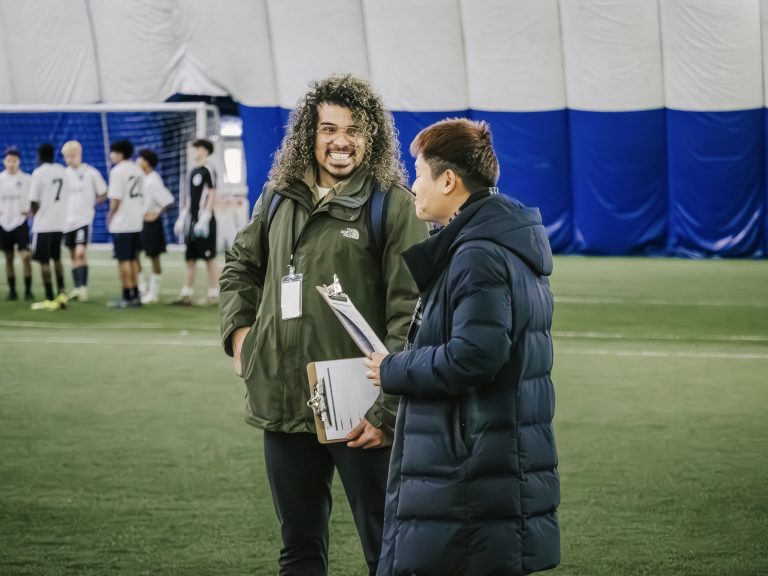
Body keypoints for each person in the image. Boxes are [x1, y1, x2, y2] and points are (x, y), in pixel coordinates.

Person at [219, 74, 428, 576]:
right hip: (283, 400)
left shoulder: (392, 203)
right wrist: (241, 336)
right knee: (299, 550)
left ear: (371, 137)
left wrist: (388, 410)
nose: (340, 141)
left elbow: (411, 311)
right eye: (328, 128)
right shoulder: (277, 196)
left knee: (388, 551)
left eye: (354, 130)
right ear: (307, 136)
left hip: (361, 411)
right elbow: (240, 267)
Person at [364, 119, 560, 576]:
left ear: (448, 180)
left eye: (419, 172)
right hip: (484, 465)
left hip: (469, 473)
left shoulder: (479, 253)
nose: (413, 186)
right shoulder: (496, 242)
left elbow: (474, 356)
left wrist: (393, 368)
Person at [173, 138, 219, 306]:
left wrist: (206, 216)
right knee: (190, 258)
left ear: (205, 151)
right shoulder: (192, 171)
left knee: (209, 258)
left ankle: (214, 294)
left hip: (204, 221)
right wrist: (182, 217)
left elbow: (213, 193)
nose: (195, 152)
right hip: (192, 221)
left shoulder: (209, 169)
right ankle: (186, 294)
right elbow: (190, 197)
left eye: (198, 148)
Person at [62, 140, 107, 302]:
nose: (69, 160)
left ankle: (83, 287)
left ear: (79, 155)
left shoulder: (90, 173)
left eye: (72, 156)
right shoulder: (64, 175)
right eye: (66, 157)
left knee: (81, 253)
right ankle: (77, 287)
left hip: (83, 220)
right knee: (73, 255)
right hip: (67, 221)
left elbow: (103, 191)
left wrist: (93, 204)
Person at [29, 143, 70, 311]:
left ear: (40, 156)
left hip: (44, 224)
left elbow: (33, 200)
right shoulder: (62, 171)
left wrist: (34, 215)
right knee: (57, 258)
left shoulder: (39, 173)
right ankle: (61, 294)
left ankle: (49, 297)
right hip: (60, 222)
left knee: (44, 261)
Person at [106, 140, 144, 308]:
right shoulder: (138, 170)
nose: (111, 155)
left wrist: (110, 216)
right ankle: (136, 293)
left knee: (123, 260)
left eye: (113, 152)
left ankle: (127, 295)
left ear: (120, 153)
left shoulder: (117, 171)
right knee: (134, 259)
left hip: (122, 222)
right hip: (136, 221)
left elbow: (116, 199)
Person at [136, 148, 174, 304]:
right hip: (139, 223)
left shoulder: (153, 180)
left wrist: (157, 213)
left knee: (154, 257)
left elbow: (168, 200)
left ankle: (153, 292)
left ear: (146, 162)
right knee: (134, 254)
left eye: (140, 159)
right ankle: (141, 287)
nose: (137, 162)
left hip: (151, 224)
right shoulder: (142, 178)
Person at [0, 148, 33, 301]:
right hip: (4, 223)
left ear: (19, 162)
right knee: (8, 258)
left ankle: (28, 290)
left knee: (26, 256)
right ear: (4, 162)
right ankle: (12, 291)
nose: (11, 164)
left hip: (20, 223)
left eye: (14, 161)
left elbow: (35, 198)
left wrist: (31, 211)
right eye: (9, 161)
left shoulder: (27, 179)